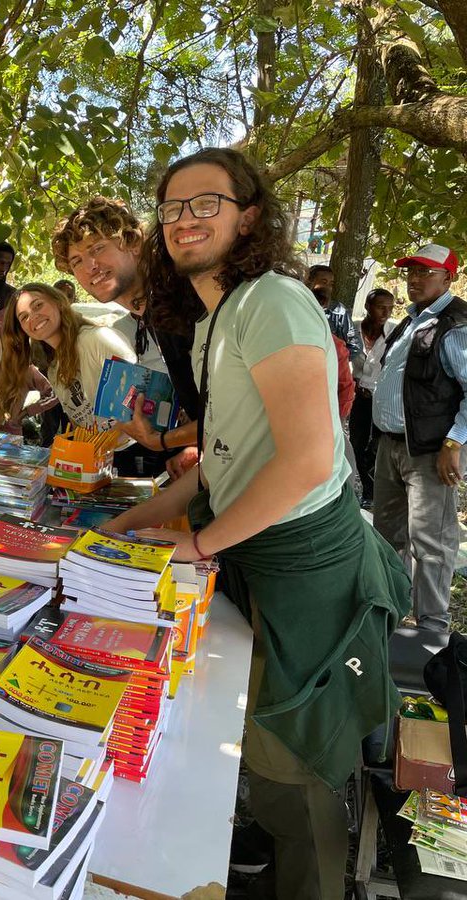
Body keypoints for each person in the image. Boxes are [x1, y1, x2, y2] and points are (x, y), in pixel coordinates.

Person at [111, 147, 407, 900]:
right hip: (255, 556)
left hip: (306, 572)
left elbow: (309, 461)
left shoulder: (271, 299)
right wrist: (123, 528)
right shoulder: (220, 319)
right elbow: (223, 461)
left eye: (205, 202)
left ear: (249, 216)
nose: (184, 219)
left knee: (296, 764)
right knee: (261, 753)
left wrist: (200, 544)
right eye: (172, 207)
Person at [53, 196, 201, 476]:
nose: (90, 266)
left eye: (98, 248)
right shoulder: (146, 315)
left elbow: (239, 414)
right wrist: (194, 445)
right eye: (77, 261)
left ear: (133, 243)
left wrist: (161, 441)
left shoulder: (182, 298)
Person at [372, 242, 467, 633]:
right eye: (411, 271)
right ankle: (389, 620)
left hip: (430, 452)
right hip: (392, 445)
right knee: (387, 537)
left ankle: (432, 633)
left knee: (430, 544)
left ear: (449, 277)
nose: (414, 278)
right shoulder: (411, 321)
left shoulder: (455, 325)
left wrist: (453, 443)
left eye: (425, 272)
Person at [0, 283, 134, 432]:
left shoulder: (98, 339)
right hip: (99, 453)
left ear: (58, 302)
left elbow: (138, 394)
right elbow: (80, 423)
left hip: (135, 448)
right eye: (24, 317)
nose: (33, 317)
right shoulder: (54, 370)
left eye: (38, 305)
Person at [350, 288, 396, 509]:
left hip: (383, 400)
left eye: (390, 308)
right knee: (357, 445)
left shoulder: (396, 333)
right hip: (358, 399)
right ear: (368, 306)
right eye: (380, 307)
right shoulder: (353, 328)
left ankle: (378, 493)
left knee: (377, 448)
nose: (386, 312)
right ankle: (369, 491)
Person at [0, 314, 57, 436]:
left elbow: (54, 395)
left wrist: (27, 411)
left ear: (4, 339)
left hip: (11, 435)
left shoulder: (23, 369)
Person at [306, 264, 363, 361]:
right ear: (309, 282)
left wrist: (334, 363)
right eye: (323, 282)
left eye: (331, 284)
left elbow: (355, 345)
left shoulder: (339, 311)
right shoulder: (299, 305)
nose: (328, 287)